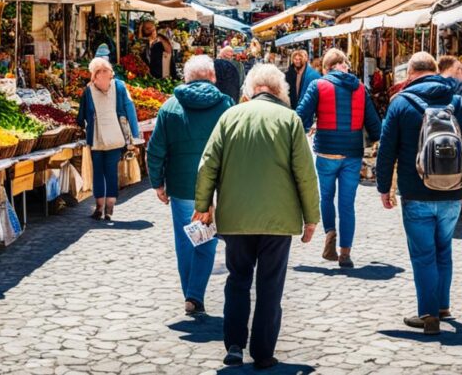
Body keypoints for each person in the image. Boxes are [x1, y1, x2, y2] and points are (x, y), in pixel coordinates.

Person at [194, 64, 320, 369]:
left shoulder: (230, 117)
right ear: (280, 90)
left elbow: (208, 164)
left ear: (251, 89)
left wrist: (202, 205)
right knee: (270, 285)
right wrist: (311, 218)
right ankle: (263, 352)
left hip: (236, 217)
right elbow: (305, 174)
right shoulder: (290, 121)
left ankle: (234, 345)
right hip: (278, 221)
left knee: (237, 279)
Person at [375, 52, 462, 335]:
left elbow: (386, 152)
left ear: (409, 74)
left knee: (423, 254)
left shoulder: (400, 104)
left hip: (415, 192)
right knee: (443, 249)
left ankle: (428, 314)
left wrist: (384, 188)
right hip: (452, 192)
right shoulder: (457, 102)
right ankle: (443, 305)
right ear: (436, 71)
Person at [147, 56, 234, 316]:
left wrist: (157, 183)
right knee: (207, 242)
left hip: (182, 186)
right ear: (213, 77)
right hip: (215, 188)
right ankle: (195, 295)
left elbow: (155, 150)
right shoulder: (225, 104)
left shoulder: (170, 107)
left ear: (186, 78)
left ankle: (190, 294)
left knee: (185, 242)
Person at [296, 49, 381, 268]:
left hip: (326, 152)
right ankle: (345, 254)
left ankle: (330, 235)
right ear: (344, 65)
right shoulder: (360, 89)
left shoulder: (318, 85)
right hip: (352, 154)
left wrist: (309, 128)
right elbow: (374, 125)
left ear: (326, 67)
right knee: (347, 205)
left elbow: (300, 116)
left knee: (326, 197)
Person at [76, 57, 140, 221]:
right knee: (105, 173)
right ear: (94, 76)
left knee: (104, 172)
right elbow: (129, 108)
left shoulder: (112, 88)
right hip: (105, 138)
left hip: (107, 138)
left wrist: (134, 136)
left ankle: (104, 208)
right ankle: (104, 208)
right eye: (101, 72)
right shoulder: (94, 90)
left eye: (105, 71)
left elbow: (81, 116)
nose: (104, 75)